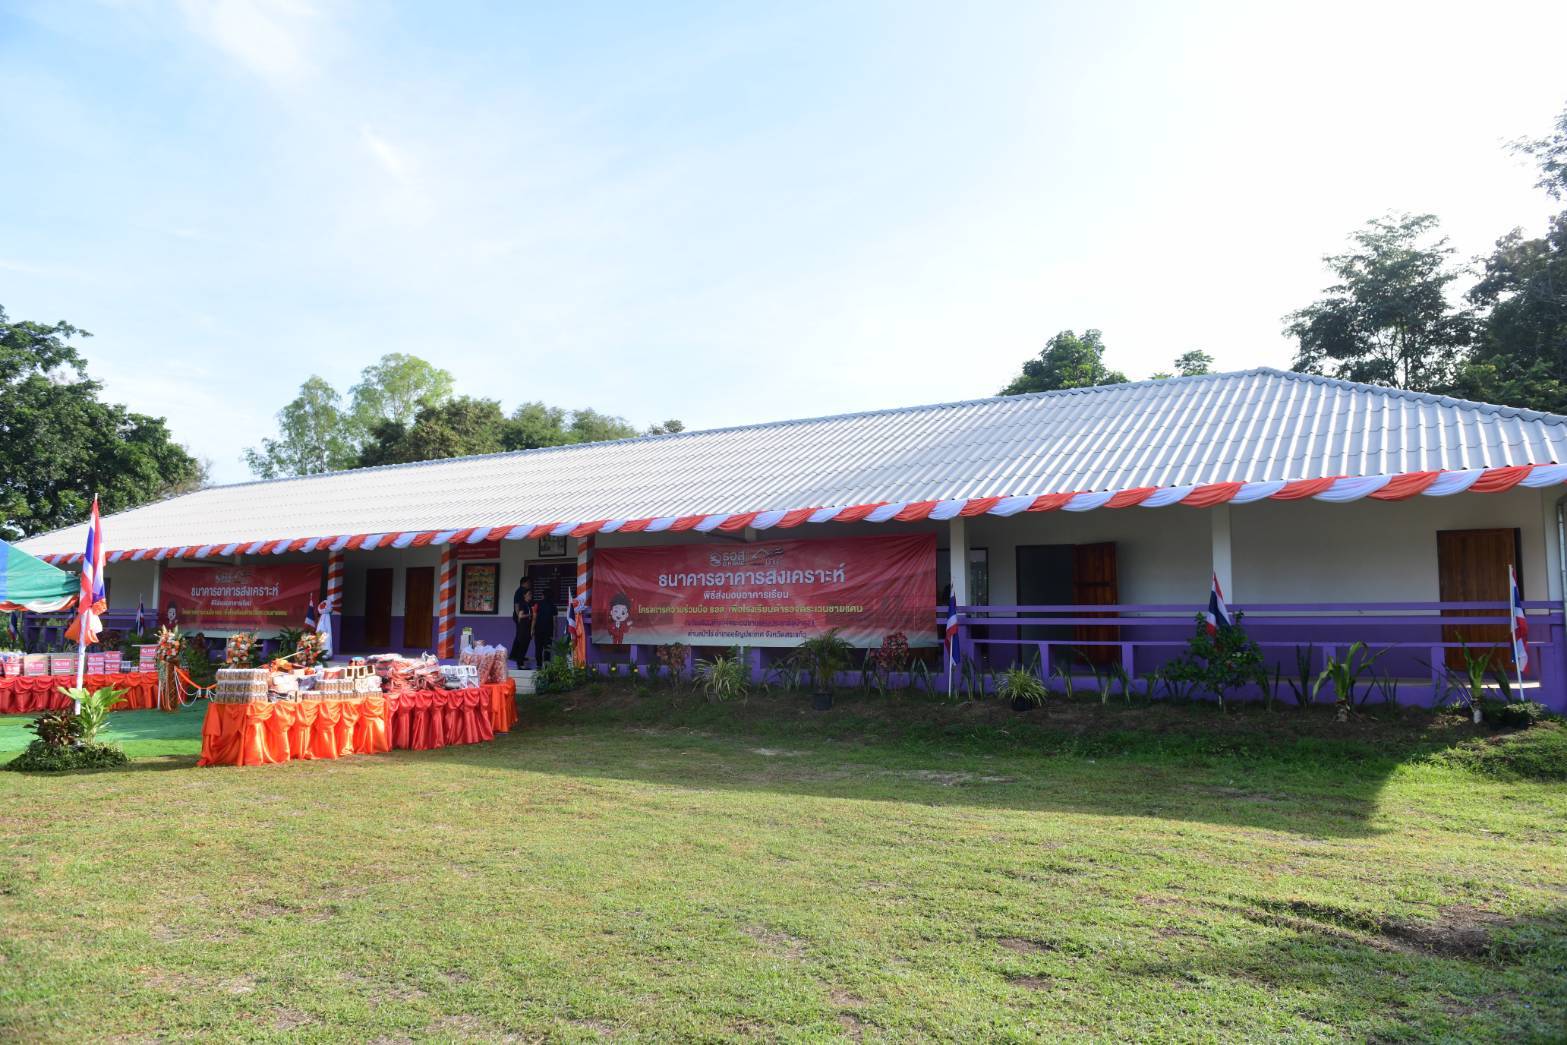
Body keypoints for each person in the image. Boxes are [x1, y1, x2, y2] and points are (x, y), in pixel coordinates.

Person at [531, 580, 559, 667]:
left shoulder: (537, 604)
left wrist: (532, 629)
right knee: (547, 648)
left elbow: (534, 618)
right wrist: (555, 632)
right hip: (549, 630)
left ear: (543, 595)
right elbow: (555, 621)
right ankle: (546, 666)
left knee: (538, 648)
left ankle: (539, 665)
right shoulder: (553, 606)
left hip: (538, 629)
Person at [511, 576, 534, 669]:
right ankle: (516, 657)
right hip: (521, 620)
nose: (530, 584)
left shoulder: (527, 603)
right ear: (525, 582)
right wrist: (519, 617)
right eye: (529, 583)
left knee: (522, 639)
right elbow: (517, 605)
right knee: (521, 639)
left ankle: (518, 656)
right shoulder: (520, 591)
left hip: (524, 621)